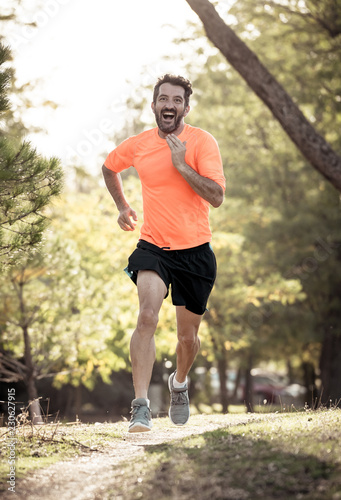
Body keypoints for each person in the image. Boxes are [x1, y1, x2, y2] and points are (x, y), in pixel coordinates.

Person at [102, 74, 225, 432]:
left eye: (176, 100)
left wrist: (182, 164)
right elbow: (110, 167)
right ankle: (140, 406)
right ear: (154, 104)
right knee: (146, 318)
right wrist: (123, 207)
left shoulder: (202, 142)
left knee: (187, 339)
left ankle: (180, 383)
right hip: (153, 247)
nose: (169, 105)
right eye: (163, 99)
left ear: (186, 107)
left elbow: (216, 197)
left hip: (196, 252)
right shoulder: (139, 144)